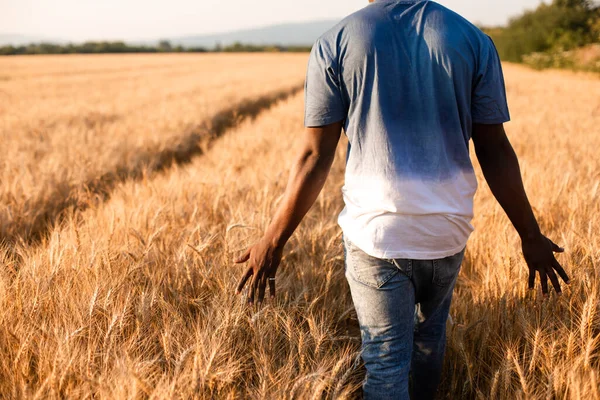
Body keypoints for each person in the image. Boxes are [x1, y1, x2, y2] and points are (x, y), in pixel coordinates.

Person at [234, 0, 571, 398]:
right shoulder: (472, 40)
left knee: (385, 364)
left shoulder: (336, 42)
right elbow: (495, 149)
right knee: (429, 342)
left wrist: (273, 239)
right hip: (447, 230)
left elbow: (314, 155)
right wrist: (529, 235)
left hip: (376, 235)